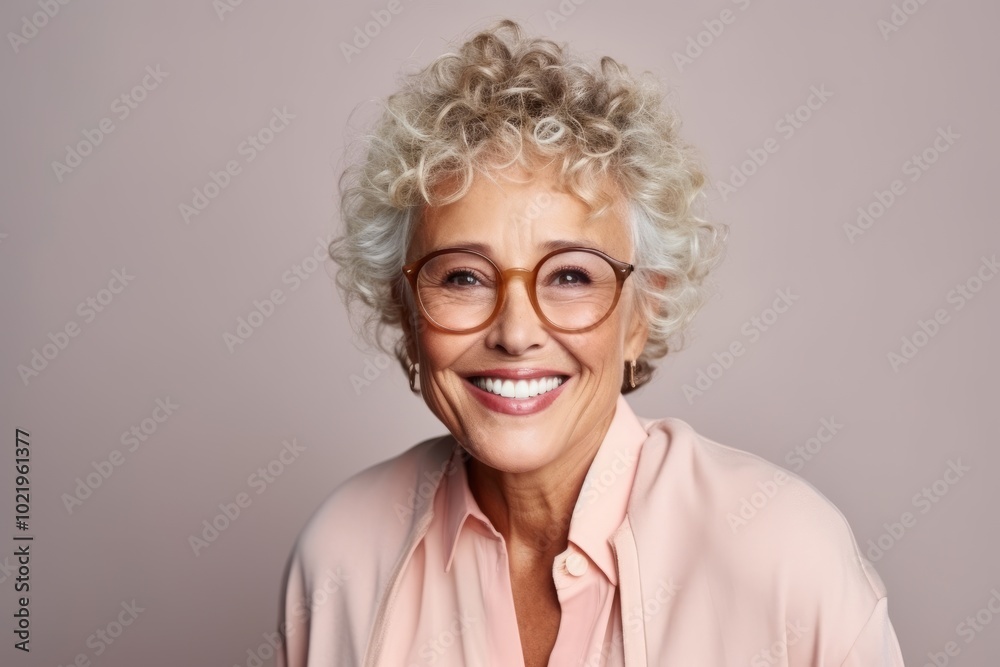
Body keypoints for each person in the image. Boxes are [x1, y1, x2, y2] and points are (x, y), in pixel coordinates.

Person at [276, 19, 905, 666]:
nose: (516, 333)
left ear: (641, 311)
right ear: (406, 312)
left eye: (571, 275)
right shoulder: (340, 561)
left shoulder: (788, 558)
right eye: (463, 275)